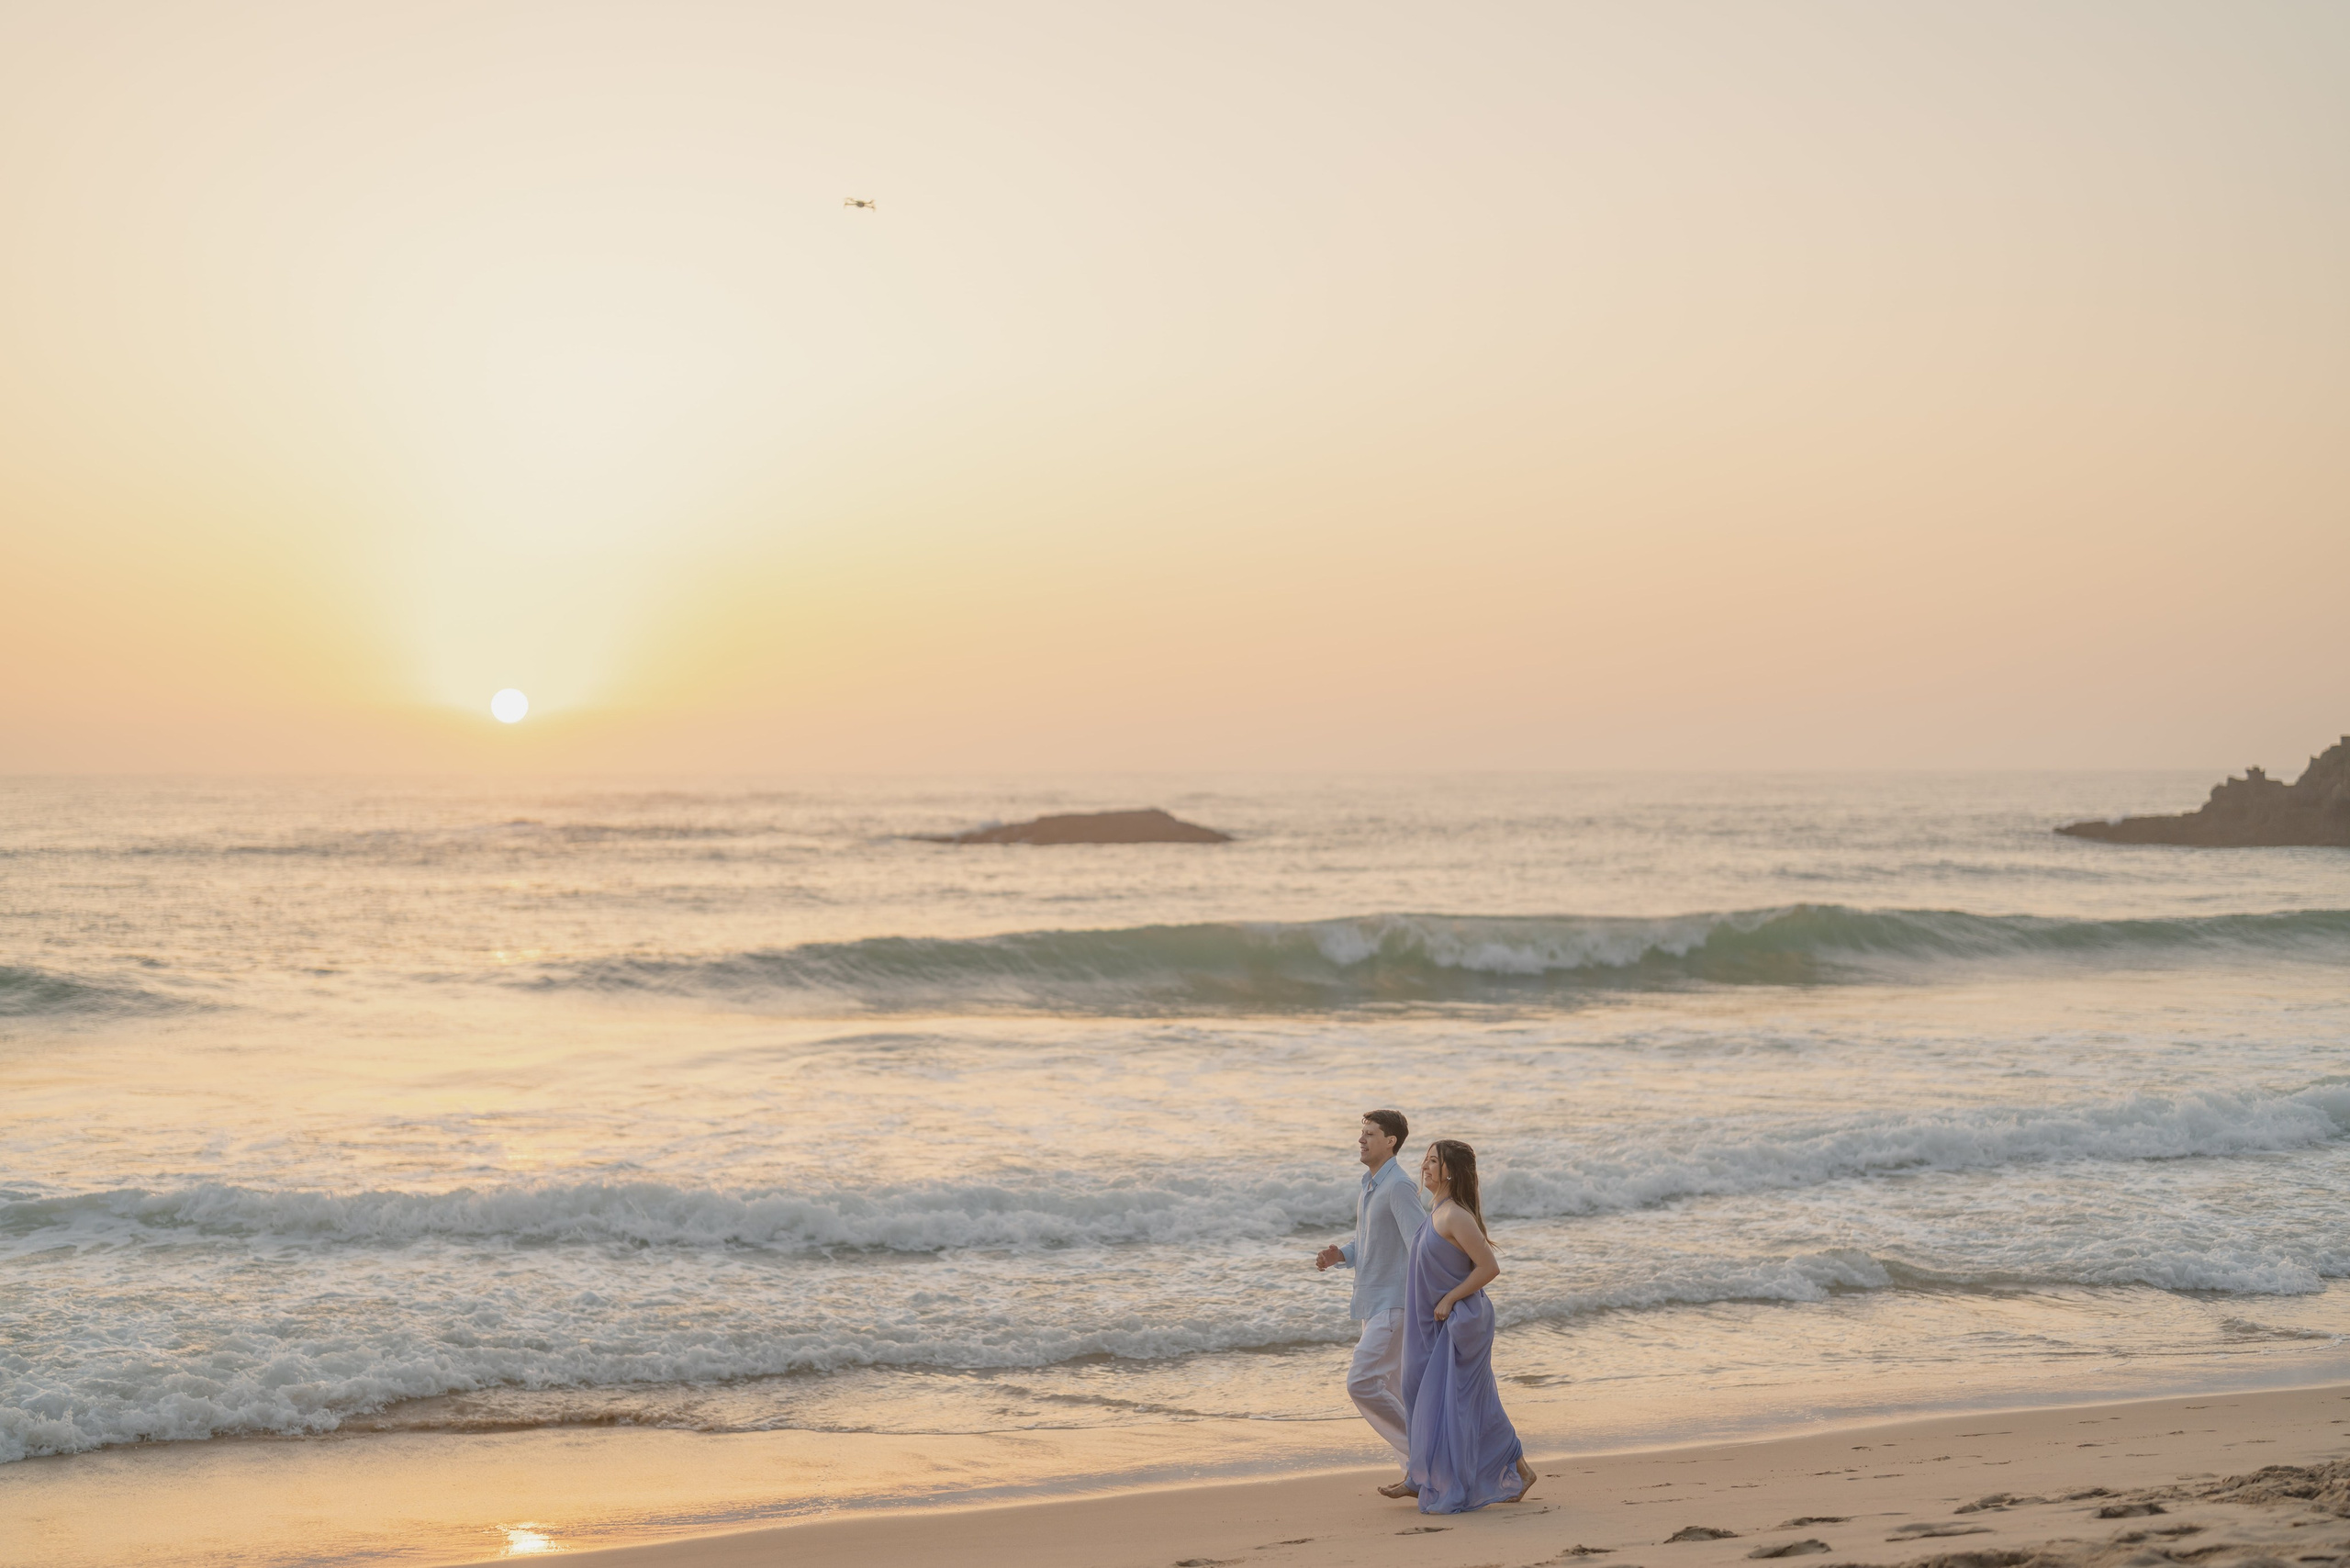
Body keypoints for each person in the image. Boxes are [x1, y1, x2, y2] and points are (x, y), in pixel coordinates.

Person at [1401, 1138, 1535, 1513]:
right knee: (1420, 1390)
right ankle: (1424, 1476)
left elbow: (1489, 1267)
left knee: (1463, 1404)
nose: (1425, 1167)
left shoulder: (1456, 1215)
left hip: (1459, 1321)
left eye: (1433, 1161)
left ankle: (1505, 1471)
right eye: (1425, 1160)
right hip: (1434, 1322)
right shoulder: (1436, 1211)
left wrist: (1450, 1298)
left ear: (1451, 1172)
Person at [1314, 1109, 1422, 1486]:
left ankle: (1426, 1455)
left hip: (1395, 1304)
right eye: (1362, 1133)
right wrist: (1341, 1254)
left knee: (1361, 1382)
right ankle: (1418, 1476)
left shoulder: (1399, 1186)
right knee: (1393, 1390)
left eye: (1370, 1133)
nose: (1361, 1139)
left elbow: (1420, 1245)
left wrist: (1436, 1301)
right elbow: (1370, 1240)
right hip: (1373, 1303)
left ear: (1390, 1141)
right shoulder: (1371, 1184)